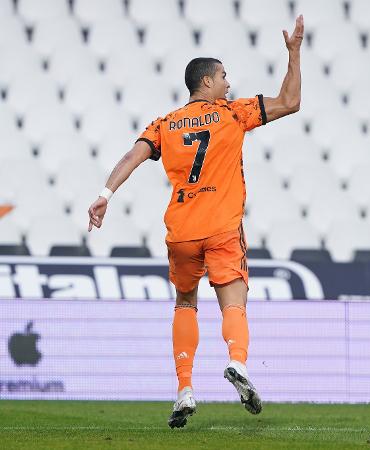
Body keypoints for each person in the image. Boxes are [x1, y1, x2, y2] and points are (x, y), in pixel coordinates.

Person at [88, 15, 303, 428]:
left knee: (186, 303)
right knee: (234, 302)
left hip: (181, 232)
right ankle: (237, 363)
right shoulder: (232, 113)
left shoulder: (165, 124)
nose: (228, 82)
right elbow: (289, 102)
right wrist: (293, 54)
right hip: (221, 227)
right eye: (223, 76)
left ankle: (185, 389)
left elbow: (131, 156)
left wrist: (104, 195)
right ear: (206, 82)